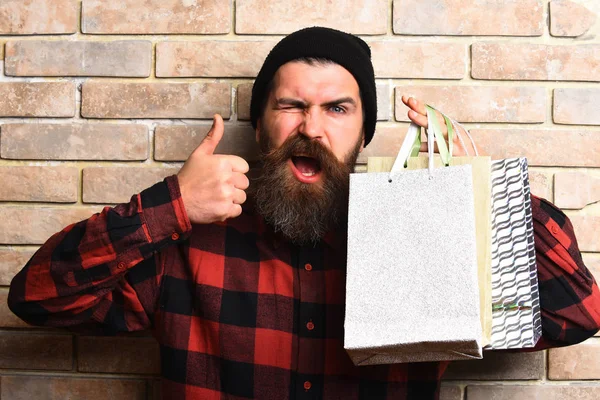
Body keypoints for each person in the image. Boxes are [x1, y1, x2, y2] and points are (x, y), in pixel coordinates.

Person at [8, 27, 600, 400]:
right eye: (290, 105)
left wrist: (482, 200)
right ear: (260, 123)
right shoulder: (190, 244)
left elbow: (576, 313)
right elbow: (39, 298)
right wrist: (172, 206)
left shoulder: (429, 241)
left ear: (364, 132)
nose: (311, 128)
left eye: (337, 108)